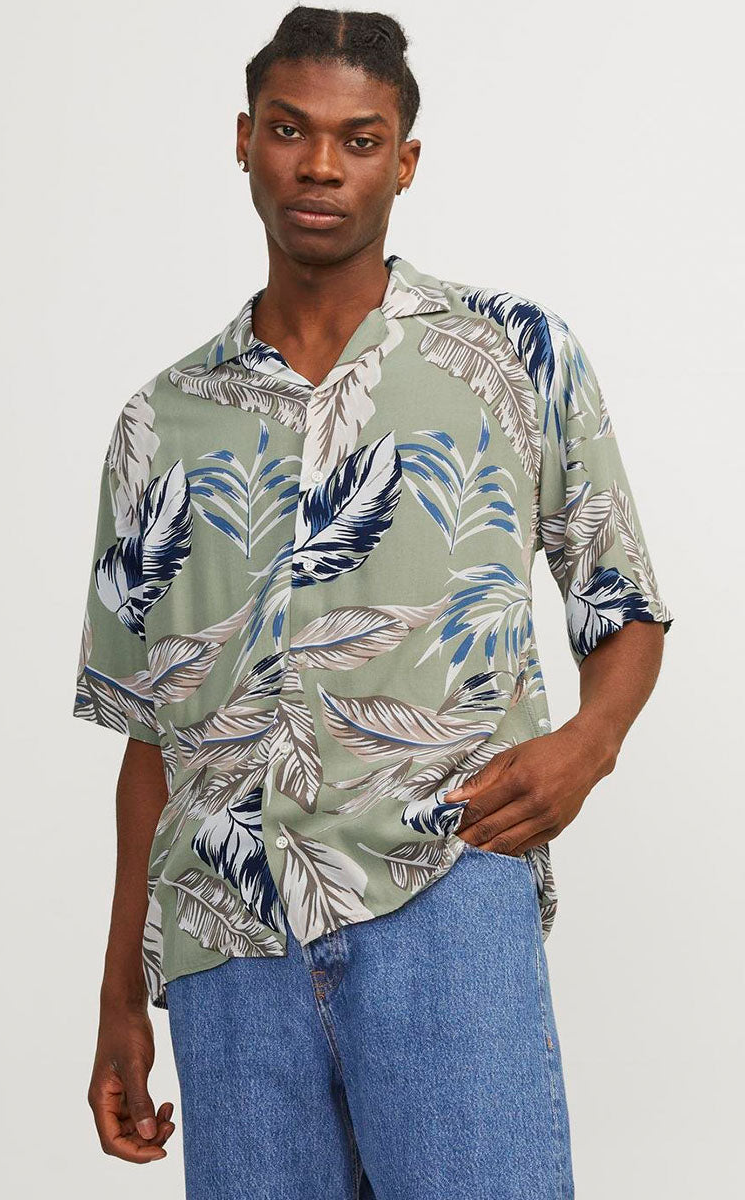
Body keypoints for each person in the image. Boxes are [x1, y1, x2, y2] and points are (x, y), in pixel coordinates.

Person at [73, 6, 674, 1198]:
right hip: (225, 941)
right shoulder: (158, 421)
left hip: (443, 897)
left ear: (403, 162)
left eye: (358, 140)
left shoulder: (513, 354)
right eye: (289, 130)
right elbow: (150, 736)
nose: (319, 166)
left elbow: (622, 603)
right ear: (243, 140)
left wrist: (586, 747)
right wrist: (117, 999)